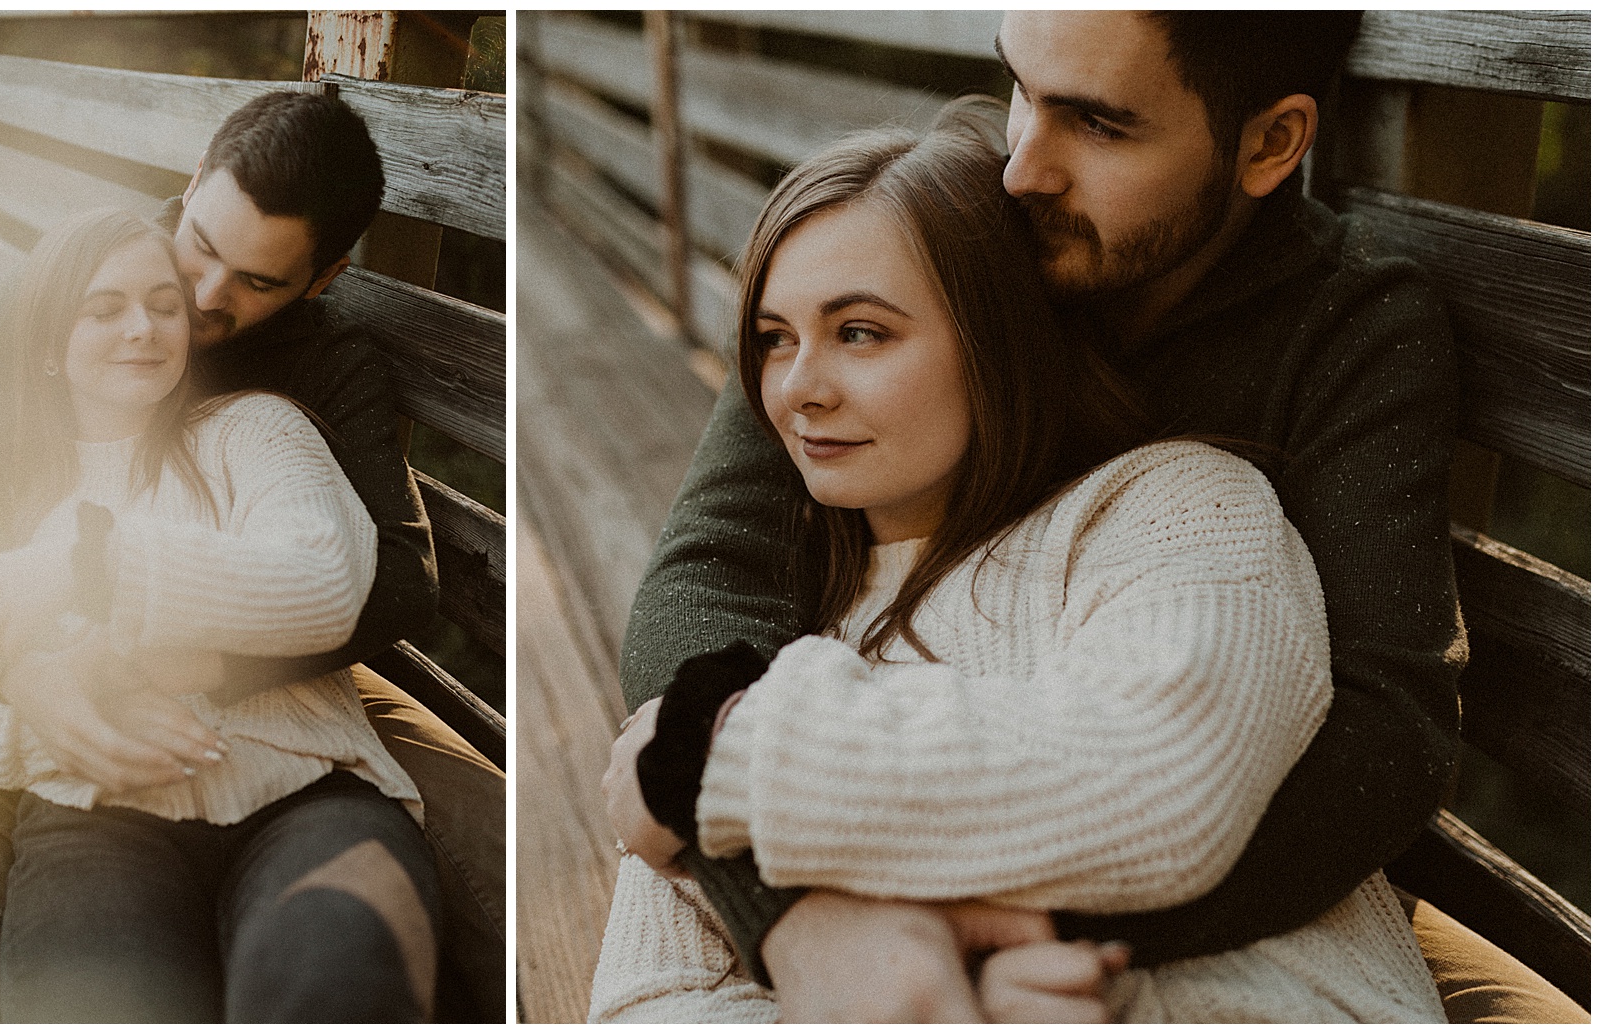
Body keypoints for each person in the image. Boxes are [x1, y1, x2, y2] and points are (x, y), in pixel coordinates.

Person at [610, 10, 1492, 1022]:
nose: (1023, 165)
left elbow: (1384, 736)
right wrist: (793, 914)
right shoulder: (962, 230)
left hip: (1200, 905)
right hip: (928, 764)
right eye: (1022, 90)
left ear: (1270, 144)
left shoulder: (1347, 333)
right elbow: (708, 575)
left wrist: (1004, 931)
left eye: (1099, 123)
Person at [0, 92, 503, 1022]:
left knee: (486, 857)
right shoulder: (64, 291)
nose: (206, 298)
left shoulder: (317, 372)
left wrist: (205, 663)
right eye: (204, 246)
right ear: (192, 188)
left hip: (284, 659)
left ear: (326, 273)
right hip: (35, 654)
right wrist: (26, 671)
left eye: (259, 281)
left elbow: (389, 584)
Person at [0, 206, 436, 1021]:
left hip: (306, 792)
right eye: (105, 309)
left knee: (335, 981)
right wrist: (57, 694)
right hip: (97, 809)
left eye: (164, 306)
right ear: (50, 347)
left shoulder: (256, 429)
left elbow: (327, 581)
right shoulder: (15, 494)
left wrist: (100, 565)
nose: (143, 329)